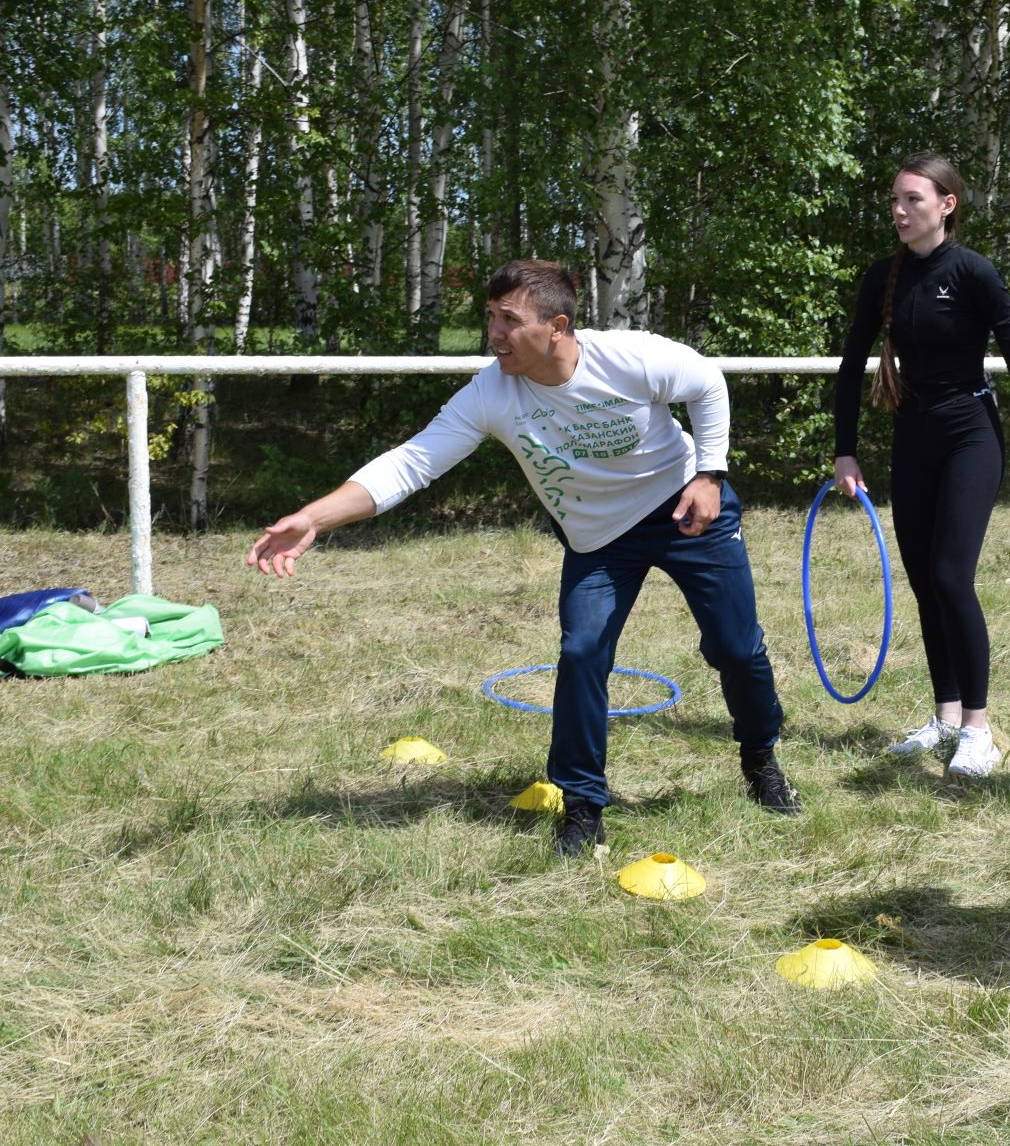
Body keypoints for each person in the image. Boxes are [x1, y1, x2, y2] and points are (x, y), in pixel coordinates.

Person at [247, 259, 801, 857]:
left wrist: (710, 474)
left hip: (684, 508)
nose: (494, 334)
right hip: (599, 540)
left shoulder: (630, 356)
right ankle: (583, 805)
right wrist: (314, 517)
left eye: (509, 320)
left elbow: (706, 384)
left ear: (557, 326)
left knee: (736, 648)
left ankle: (760, 757)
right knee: (582, 652)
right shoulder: (492, 392)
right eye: (490, 318)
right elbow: (412, 463)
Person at [832, 153, 1010, 779]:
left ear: (946, 205)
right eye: (894, 201)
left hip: (969, 437)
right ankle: (947, 717)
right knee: (926, 581)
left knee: (952, 575)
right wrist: (846, 449)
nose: (899, 212)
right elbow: (851, 368)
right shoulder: (883, 277)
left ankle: (979, 729)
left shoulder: (974, 272)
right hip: (913, 436)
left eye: (912, 200)